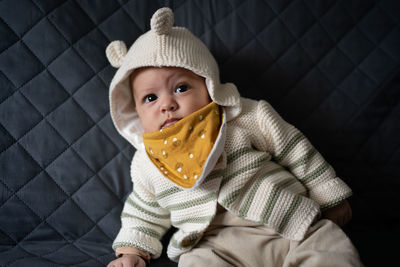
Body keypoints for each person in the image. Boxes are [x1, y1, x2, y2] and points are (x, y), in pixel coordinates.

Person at [106, 7, 362, 267]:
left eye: (181, 88)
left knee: (330, 249)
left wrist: (328, 194)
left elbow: (295, 149)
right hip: (214, 244)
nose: (167, 104)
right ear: (135, 111)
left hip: (290, 221)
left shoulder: (244, 116)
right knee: (196, 262)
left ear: (208, 86)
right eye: (151, 98)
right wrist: (131, 251)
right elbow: (144, 210)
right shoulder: (146, 162)